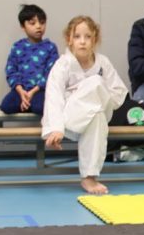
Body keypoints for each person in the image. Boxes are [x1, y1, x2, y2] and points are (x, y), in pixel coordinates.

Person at [42, 15, 128, 196]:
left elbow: (119, 91)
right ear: (69, 40)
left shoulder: (103, 63)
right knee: (96, 89)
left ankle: (89, 177)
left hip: (97, 115)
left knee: (97, 106)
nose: (82, 41)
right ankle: (89, 177)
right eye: (77, 36)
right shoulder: (62, 65)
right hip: (70, 120)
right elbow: (53, 97)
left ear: (95, 40)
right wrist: (56, 128)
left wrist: (99, 98)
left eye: (88, 37)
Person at [0, 4, 58, 116]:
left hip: (40, 90)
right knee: (6, 106)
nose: (38, 26)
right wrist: (21, 91)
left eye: (42, 22)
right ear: (23, 26)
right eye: (32, 23)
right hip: (21, 90)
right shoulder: (17, 47)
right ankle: (26, 102)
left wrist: (33, 91)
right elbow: (11, 71)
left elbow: (51, 73)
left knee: (40, 107)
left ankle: (28, 103)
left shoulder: (50, 47)